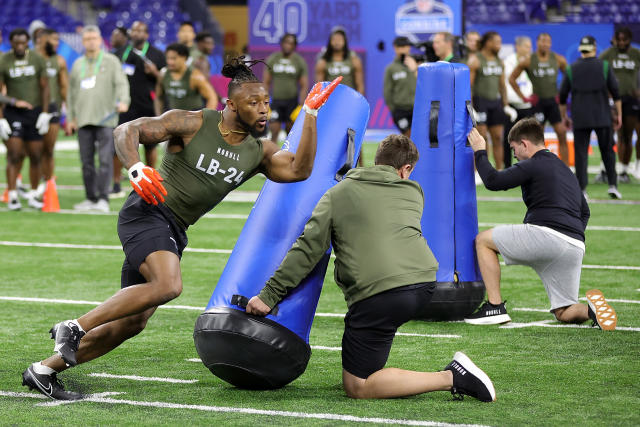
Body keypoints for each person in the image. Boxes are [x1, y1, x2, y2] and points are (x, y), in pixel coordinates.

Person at [21, 58, 342, 400]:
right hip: (147, 213)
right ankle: (74, 327)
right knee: (168, 284)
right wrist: (135, 168)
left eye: (265, 103)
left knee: (132, 322)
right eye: (254, 103)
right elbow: (125, 130)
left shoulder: (259, 151)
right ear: (230, 105)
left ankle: (43, 370)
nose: (263, 111)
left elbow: (299, 170)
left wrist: (309, 114)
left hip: (175, 229)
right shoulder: (193, 122)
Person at [246, 135, 496, 402]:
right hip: (424, 284)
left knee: (358, 386)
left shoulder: (338, 193)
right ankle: (382, 374)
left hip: (381, 294)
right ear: (406, 169)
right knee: (372, 358)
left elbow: (308, 249)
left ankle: (451, 377)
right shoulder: (414, 191)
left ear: (377, 159)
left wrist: (269, 295)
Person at [465, 118, 617, 331]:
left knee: (483, 241)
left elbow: (493, 181)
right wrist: (566, 236)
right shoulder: (566, 170)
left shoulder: (533, 163)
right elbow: (585, 211)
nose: (514, 155)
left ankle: (495, 307)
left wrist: (480, 151)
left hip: (548, 236)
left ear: (525, 144)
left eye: (514, 148)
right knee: (563, 312)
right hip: (575, 245)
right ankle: (592, 310)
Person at [66, 25, 130, 213]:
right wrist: (70, 118)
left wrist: (124, 100)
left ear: (100, 40)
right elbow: (71, 94)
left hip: (106, 119)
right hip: (83, 119)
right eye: (87, 39)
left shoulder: (111, 61)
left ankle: (103, 198)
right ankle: (90, 198)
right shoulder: (78, 64)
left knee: (104, 160)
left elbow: (122, 84)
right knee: (86, 161)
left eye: (94, 38)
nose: (91, 42)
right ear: (83, 42)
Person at [559, 35, 622, 199]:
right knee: (607, 151)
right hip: (602, 115)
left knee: (581, 153)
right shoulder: (605, 66)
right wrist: (619, 113)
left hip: (580, 117)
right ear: (594, 48)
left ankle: (582, 190)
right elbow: (616, 93)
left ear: (580, 49)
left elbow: (562, 96)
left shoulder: (571, 69)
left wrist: (565, 116)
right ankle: (613, 185)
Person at [0, 28, 50, 210]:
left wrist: (45, 112)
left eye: (23, 43)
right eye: (16, 43)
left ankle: (35, 194)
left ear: (28, 42)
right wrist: (2, 116)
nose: (20, 46)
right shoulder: (4, 60)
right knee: (14, 154)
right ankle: (12, 195)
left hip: (35, 112)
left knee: (36, 155)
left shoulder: (37, 59)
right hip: (13, 113)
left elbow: (45, 87)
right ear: (11, 43)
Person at [509, 33, 570, 165]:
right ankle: (537, 167)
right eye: (542, 41)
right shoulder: (529, 60)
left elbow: (569, 77)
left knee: (562, 133)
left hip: (553, 103)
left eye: (548, 42)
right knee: (536, 139)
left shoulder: (559, 59)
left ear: (551, 43)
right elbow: (511, 79)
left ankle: (566, 168)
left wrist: (562, 93)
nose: (545, 44)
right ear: (537, 43)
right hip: (538, 103)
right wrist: (523, 97)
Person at [315, 27, 365, 165]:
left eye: (340, 39)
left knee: (354, 135)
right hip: (332, 105)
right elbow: (319, 86)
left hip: (350, 104)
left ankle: (361, 167)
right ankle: (330, 166)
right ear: (330, 42)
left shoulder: (354, 60)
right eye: (334, 39)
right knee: (332, 136)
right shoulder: (323, 62)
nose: (337, 42)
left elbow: (360, 84)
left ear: (345, 41)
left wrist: (359, 104)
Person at [122, 21, 166, 171]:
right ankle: (116, 183)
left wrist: (155, 72)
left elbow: (166, 80)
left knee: (150, 143)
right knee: (123, 142)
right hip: (126, 105)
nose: (137, 33)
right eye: (134, 30)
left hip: (148, 104)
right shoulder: (123, 52)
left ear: (146, 35)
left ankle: (150, 174)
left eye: (140, 31)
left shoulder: (157, 54)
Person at [468, 31, 514, 170]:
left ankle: (499, 170)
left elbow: (502, 85)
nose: (499, 46)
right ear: (488, 43)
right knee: (481, 139)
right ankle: (480, 171)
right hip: (480, 103)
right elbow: (469, 86)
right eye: (497, 43)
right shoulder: (476, 59)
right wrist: (471, 108)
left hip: (495, 103)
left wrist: (506, 105)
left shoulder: (499, 62)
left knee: (498, 138)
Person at [600, 27, 640, 182]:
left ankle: (623, 170)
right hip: (611, 100)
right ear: (615, 40)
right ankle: (607, 169)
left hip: (630, 99)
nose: (622, 43)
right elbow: (597, 68)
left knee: (627, 135)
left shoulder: (636, 54)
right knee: (611, 135)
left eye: (625, 40)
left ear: (630, 39)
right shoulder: (608, 54)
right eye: (619, 40)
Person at [36, 28, 68, 197]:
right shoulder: (31, 58)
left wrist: (69, 114)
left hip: (53, 109)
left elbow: (64, 88)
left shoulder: (59, 61)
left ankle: (48, 184)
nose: (56, 43)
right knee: (32, 152)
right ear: (41, 39)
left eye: (58, 40)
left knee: (48, 150)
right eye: (53, 40)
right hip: (32, 109)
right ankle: (31, 186)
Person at [264, 33, 308, 143]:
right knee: (273, 130)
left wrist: (301, 104)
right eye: (286, 42)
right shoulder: (273, 59)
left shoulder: (299, 61)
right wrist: (265, 101)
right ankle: (272, 159)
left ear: (295, 46)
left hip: (292, 102)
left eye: (291, 43)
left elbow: (304, 85)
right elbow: (266, 82)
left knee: (291, 133)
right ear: (282, 43)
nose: (288, 45)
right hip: (276, 101)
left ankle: (290, 158)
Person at [155, 43, 218, 114]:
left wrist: (205, 119)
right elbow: (158, 97)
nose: (169, 62)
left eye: (173, 58)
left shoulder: (195, 76)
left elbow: (212, 97)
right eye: (168, 58)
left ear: (184, 58)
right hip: (173, 117)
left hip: (193, 118)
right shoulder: (163, 74)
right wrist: (158, 117)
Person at [110, 26, 135, 197]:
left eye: (116, 35)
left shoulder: (133, 55)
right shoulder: (111, 56)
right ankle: (116, 182)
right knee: (117, 147)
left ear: (125, 37)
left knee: (136, 145)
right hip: (117, 105)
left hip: (135, 104)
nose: (112, 37)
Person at [503, 36, 534, 168]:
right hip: (513, 106)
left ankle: (529, 165)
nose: (529, 49)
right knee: (509, 137)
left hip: (528, 105)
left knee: (529, 138)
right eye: (526, 46)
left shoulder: (532, 61)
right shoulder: (508, 62)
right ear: (518, 47)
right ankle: (507, 166)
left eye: (530, 46)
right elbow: (506, 84)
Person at [383, 36, 417, 136]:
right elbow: (387, 92)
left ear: (409, 47)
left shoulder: (418, 65)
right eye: (400, 47)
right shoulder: (391, 68)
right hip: (400, 110)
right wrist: (394, 110)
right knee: (408, 136)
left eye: (405, 46)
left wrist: (415, 69)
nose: (402, 50)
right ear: (395, 48)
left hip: (417, 109)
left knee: (418, 137)